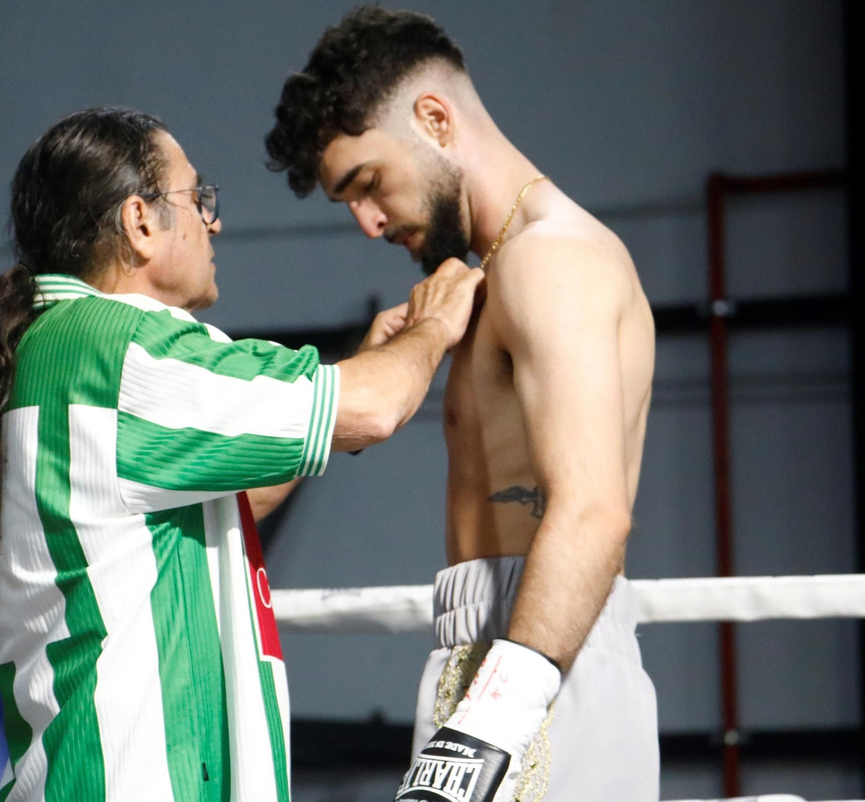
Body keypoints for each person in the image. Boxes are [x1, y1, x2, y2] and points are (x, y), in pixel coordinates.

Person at [0, 107, 482, 802]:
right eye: (199, 199)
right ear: (140, 222)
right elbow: (372, 408)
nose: (215, 222)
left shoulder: (57, 347)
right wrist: (436, 328)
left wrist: (362, 376)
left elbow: (218, 505)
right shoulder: (120, 347)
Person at [266, 8, 660, 801]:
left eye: (369, 185)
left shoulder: (551, 262)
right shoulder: (488, 278)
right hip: (490, 657)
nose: (368, 222)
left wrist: (496, 717)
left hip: (547, 657)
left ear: (435, 120)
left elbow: (592, 515)